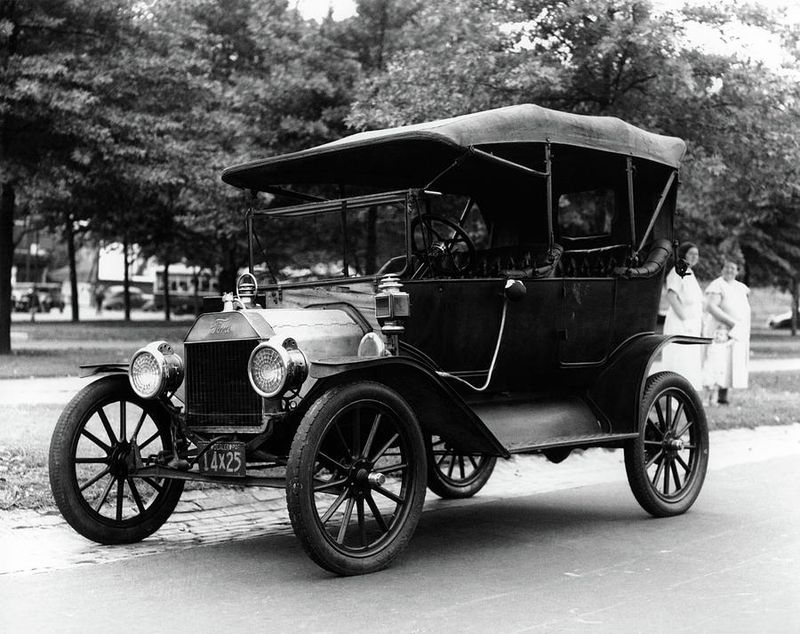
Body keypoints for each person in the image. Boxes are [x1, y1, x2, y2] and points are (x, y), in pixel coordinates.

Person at [702, 260, 751, 404]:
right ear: (722, 269)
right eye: (727, 267)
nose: (729, 270)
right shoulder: (717, 285)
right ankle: (710, 398)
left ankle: (723, 396)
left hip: (737, 331)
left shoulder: (741, 287)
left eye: (733, 268)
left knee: (731, 362)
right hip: (721, 330)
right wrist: (730, 322)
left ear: (738, 271)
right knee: (717, 362)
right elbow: (711, 307)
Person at [662, 242, 703, 389]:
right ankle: (675, 395)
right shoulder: (678, 271)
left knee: (689, 360)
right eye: (691, 253)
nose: (694, 257)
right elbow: (672, 296)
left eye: (696, 254)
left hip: (692, 324)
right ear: (684, 254)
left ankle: (687, 393)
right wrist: (685, 321)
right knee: (679, 358)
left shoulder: (689, 273)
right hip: (680, 323)